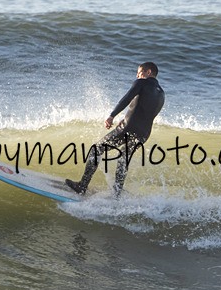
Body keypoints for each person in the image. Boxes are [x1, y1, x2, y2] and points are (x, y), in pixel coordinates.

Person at [66, 61, 165, 196]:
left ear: (148, 72)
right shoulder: (161, 93)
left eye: (139, 73)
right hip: (144, 133)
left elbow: (126, 99)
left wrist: (112, 116)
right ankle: (117, 193)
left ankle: (82, 186)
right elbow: (144, 112)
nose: (137, 76)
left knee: (97, 149)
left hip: (128, 129)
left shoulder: (141, 83)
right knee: (123, 159)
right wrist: (125, 120)